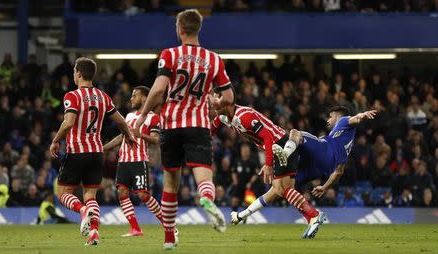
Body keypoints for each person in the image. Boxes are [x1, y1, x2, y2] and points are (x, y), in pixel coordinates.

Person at [134, 9, 235, 250]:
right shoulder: (214, 59)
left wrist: (144, 115)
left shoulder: (170, 55)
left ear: (179, 30)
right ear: (199, 29)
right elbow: (229, 97)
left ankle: (169, 239)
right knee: (203, 176)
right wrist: (217, 103)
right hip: (199, 126)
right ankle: (208, 200)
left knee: (170, 185)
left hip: (171, 126)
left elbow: (158, 89)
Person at [49, 57, 134, 246]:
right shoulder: (103, 97)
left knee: (64, 193)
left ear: (78, 74)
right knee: (90, 195)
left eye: (73, 71)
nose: (73, 74)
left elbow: (69, 122)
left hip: (77, 151)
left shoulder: (72, 96)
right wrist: (128, 135)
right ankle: (94, 233)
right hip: (96, 152)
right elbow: (120, 121)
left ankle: (81, 210)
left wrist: (55, 140)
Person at [211, 104, 323, 239]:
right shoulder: (224, 116)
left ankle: (314, 215)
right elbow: (214, 125)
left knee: (280, 189)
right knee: (280, 191)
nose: (213, 105)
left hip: (279, 146)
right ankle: (312, 217)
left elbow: (267, 137)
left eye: (217, 100)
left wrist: (268, 164)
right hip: (283, 144)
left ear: (227, 103)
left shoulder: (244, 116)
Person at [273, 106, 377, 197]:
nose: (328, 120)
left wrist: (363, 114)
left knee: (295, 133)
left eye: (330, 117)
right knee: (286, 186)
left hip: (325, 152)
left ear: (337, 116)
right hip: (324, 169)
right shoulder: (346, 144)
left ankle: (285, 154)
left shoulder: (343, 120)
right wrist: (325, 187)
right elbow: (339, 172)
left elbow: (356, 118)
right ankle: (310, 214)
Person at [103, 86, 165, 237]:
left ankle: (168, 224)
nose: (131, 98)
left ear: (144, 98)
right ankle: (135, 229)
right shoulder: (129, 116)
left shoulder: (153, 118)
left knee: (142, 194)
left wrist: (140, 135)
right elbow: (122, 136)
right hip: (123, 161)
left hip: (139, 160)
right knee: (122, 192)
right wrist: (105, 147)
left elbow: (156, 139)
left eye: (135, 95)